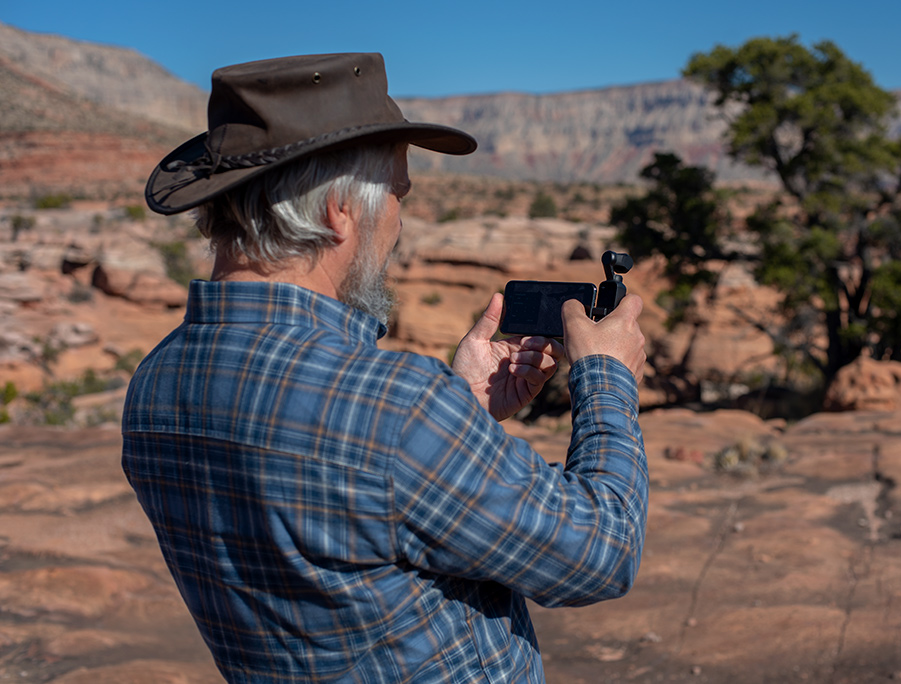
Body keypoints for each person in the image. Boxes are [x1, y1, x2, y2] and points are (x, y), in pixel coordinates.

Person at [122, 53, 648, 683]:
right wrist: (607, 377)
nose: (399, 217)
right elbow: (601, 553)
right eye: (398, 192)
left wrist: (461, 409)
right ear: (338, 212)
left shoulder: (155, 382)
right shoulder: (395, 409)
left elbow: (344, 516)